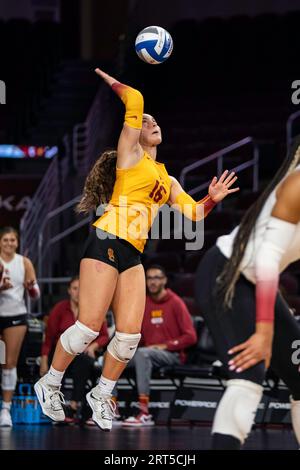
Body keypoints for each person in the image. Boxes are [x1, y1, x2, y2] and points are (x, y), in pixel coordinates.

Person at [34, 67, 239, 432]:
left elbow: (192, 214)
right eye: (145, 122)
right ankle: (50, 383)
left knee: (129, 336)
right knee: (87, 329)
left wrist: (212, 198)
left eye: (155, 121)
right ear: (134, 132)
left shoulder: (167, 176)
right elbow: (134, 99)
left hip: (133, 252)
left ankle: (102, 394)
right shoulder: (130, 154)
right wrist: (109, 79)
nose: (152, 123)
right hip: (107, 239)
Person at [195, 138, 300, 449]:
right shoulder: (296, 185)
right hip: (225, 274)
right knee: (249, 372)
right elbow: (267, 259)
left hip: (258, 282)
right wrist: (264, 332)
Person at [122, 264, 197, 427]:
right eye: (149, 278)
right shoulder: (144, 303)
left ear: (164, 280)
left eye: (156, 278)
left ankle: (144, 412)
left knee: (143, 354)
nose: (152, 282)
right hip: (146, 353)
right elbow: (138, 335)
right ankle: (110, 410)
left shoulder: (176, 302)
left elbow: (191, 336)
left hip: (173, 355)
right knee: (113, 358)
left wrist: (166, 346)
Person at [40, 276, 109, 423]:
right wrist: (44, 360)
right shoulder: (60, 308)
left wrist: (94, 346)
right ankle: (56, 404)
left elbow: (104, 336)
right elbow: (49, 338)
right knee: (61, 358)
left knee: (83, 361)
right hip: (61, 352)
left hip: (82, 354)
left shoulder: (93, 309)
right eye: (75, 288)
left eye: (82, 289)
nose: (78, 292)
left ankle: (74, 404)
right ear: (69, 291)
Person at [0, 226, 40, 427]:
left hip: (15, 316)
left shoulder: (24, 262)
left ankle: (5, 410)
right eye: (5, 240)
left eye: (12, 240)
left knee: (9, 362)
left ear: (17, 242)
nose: (9, 243)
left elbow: (35, 294)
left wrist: (30, 286)